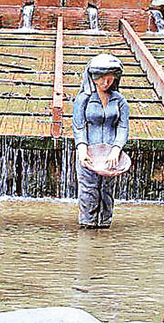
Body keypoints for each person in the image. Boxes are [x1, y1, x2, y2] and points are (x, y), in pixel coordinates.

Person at [72, 53, 129, 228]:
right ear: (93, 78)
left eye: (110, 79)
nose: (106, 83)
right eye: (102, 79)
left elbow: (123, 127)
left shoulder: (119, 101)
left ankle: (104, 224)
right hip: (88, 153)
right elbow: (78, 125)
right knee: (88, 190)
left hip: (111, 154)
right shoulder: (83, 99)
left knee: (107, 190)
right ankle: (87, 225)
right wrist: (82, 148)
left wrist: (116, 149)